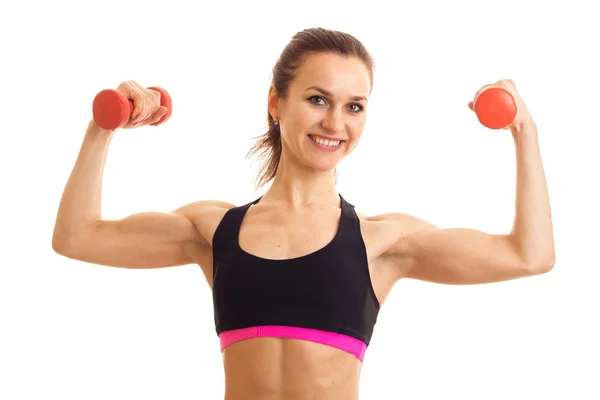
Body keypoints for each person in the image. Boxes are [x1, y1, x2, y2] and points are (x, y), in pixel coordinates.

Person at [52, 27, 555, 400]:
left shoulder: (383, 242)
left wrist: (524, 131)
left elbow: (528, 256)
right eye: (318, 99)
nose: (335, 122)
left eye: (354, 106)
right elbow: (77, 237)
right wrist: (104, 128)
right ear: (276, 101)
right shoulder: (214, 230)